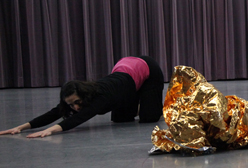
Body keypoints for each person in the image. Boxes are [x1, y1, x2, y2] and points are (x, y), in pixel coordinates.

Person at [0, 56, 165, 138]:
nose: (75, 108)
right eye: (71, 105)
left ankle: (152, 105)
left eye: (77, 103)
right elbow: (55, 112)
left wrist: (50, 131)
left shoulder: (101, 97)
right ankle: (137, 101)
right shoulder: (77, 100)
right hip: (125, 72)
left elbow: (80, 118)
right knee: (121, 119)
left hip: (147, 68)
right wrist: (22, 127)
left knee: (148, 118)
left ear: (84, 95)